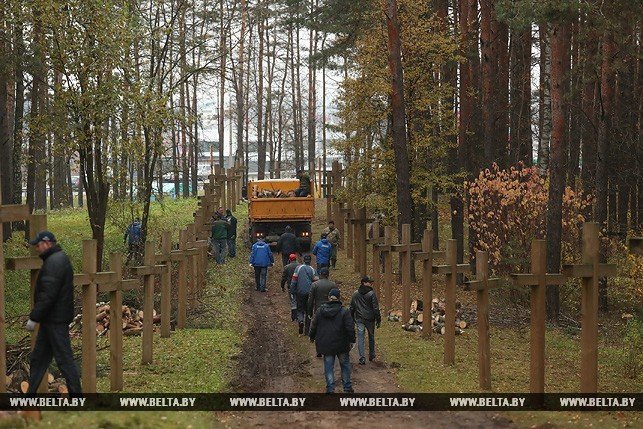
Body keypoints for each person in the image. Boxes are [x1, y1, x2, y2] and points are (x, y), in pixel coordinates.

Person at [25, 231, 82, 394]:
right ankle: (29, 398)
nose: (37, 249)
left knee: (64, 360)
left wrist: (34, 317)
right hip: (51, 320)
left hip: (55, 320)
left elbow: (48, 294)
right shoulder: (55, 260)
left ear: (47, 243)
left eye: (38, 245)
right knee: (38, 360)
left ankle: (78, 398)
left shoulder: (54, 262)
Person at [309, 288, 355, 394]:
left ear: (329, 297)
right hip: (342, 344)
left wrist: (312, 336)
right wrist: (352, 340)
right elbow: (350, 327)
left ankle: (330, 389)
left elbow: (314, 325)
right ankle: (347, 388)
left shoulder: (320, 310)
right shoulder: (344, 311)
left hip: (326, 343)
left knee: (329, 366)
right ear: (339, 298)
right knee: (345, 365)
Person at [349, 275, 382, 365]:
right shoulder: (371, 294)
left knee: (360, 337)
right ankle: (371, 354)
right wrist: (378, 319)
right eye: (369, 282)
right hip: (370, 319)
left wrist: (351, 318)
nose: (371, 284)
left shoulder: (356, 293)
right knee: (371, 337)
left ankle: (361, 357)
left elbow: (352, 307)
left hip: (359, 318)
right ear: (364, 282)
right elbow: (375, 308)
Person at [290, 254, 317, 335]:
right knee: (308, 311)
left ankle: (301, 321)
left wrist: (292, 291)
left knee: (300, 309)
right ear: (310, 261)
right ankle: (307, 330)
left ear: (304, 260)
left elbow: (294, 281)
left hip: (300, 292)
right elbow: (316, 283)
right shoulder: (313, 270)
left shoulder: (298, 268)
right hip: (310, 293)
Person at [281, 253, 299, 320]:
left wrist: (282, 286)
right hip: (298, 285)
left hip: (290, 286)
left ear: (289, 259)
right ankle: (298, 314)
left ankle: (294, 316)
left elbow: (283, 278)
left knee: (292, 300)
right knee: (297, 299)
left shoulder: (287, 267)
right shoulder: (299, 266)